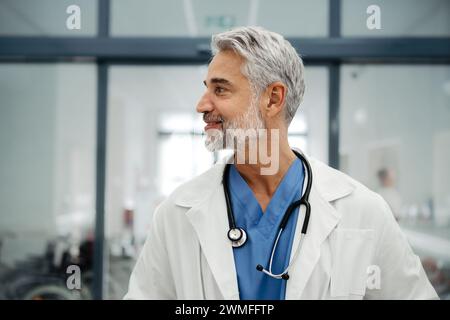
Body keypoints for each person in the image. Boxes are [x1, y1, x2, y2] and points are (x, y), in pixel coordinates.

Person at [124, 26, 437, 300]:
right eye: (206, 88)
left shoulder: (362, 211)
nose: (202, 104)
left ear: (273, 99)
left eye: (220, 89)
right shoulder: (176, 213)